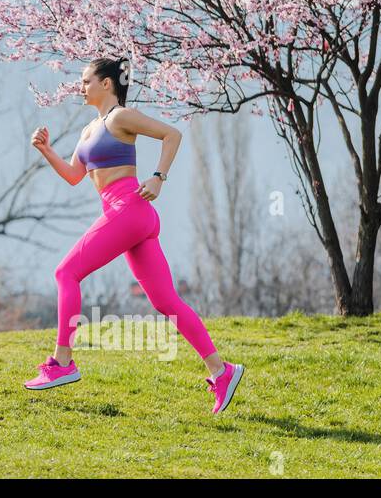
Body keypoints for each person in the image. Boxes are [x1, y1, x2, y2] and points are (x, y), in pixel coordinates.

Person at [24, 57, 244, 414]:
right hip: (130, 217)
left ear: (107, 83)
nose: (80, 87)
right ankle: (222, 371)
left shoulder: (119, 117)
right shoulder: (88, 130)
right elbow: (74, 176)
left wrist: (158, 176)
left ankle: (62, 362)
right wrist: (46, 150)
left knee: (65, 273)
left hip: (128, 210)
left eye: (85, 81)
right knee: (166, 302)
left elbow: (171, 134)